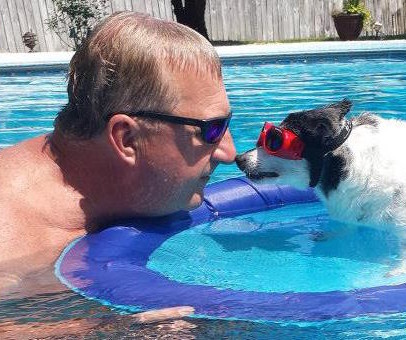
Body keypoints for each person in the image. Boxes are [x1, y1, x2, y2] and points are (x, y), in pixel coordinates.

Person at [0, 11, 236, 336]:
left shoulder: (120, 193)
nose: (229, 152)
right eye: (212, 129)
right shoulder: (10, 235)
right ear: (127, 139)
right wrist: (102, 331)